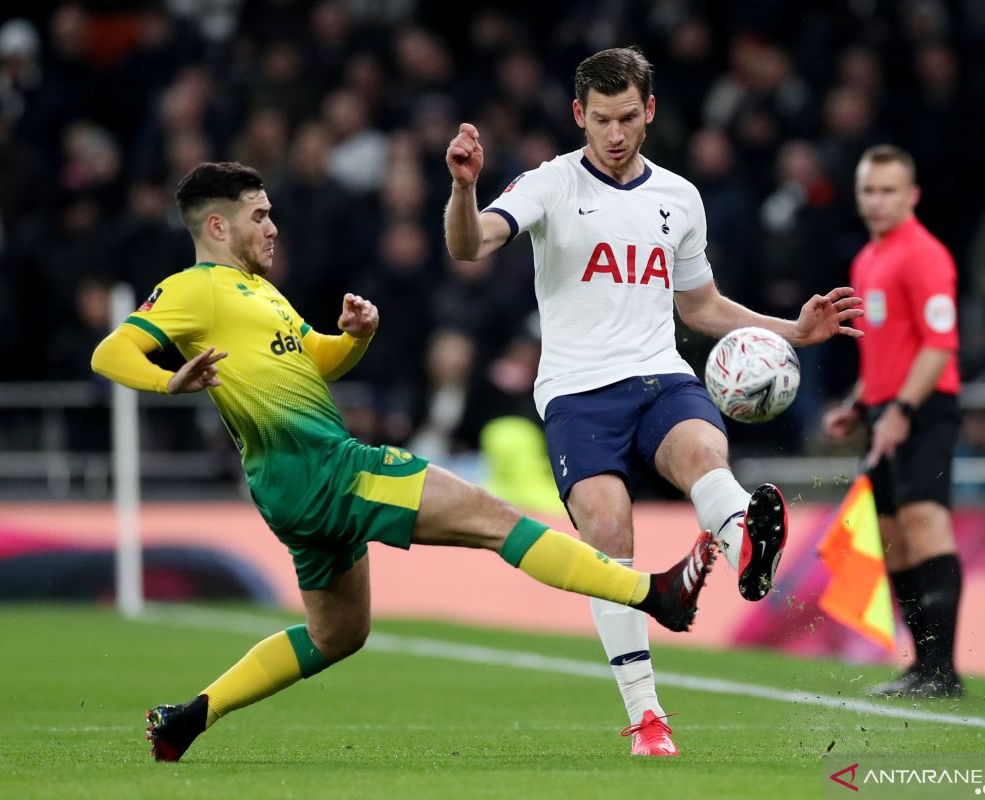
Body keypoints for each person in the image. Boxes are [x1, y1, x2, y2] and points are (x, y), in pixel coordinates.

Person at [90, 161, 719, 762]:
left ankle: (189, 718)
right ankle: (654, 594)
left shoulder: (256, 292)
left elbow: (314, 360)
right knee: (494, 519)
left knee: (338, 635)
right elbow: (112, 352)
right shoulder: (192, 289)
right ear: (218, 227)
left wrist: (353, 338)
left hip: (287, 487)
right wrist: (169, 382)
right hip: (327, 469)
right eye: (259, 215)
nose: (273, 226)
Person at [443, 47, 863, 755]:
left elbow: (699, 305)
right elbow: (470, 244)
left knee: (704, 452)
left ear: (651, 112)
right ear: (579, 115)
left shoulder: (680, 198)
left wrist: (793, 329)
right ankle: (646, 717)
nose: (614, 134)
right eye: (601, 119)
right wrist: (463, 190)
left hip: (660, 376)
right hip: (577, 394)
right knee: (607, 536)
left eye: (627, 118)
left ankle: (745, 551)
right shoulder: (547, 184)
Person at [822, 144, 964, 698]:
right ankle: (922, 667)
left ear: (912, 196)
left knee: (926, 522)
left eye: (888, 191)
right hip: (885, 411)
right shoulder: (867, 259)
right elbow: (884, 352)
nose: (877, 201)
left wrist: (902, 410)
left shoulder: (925, 255)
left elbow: (939, 346)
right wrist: (860, 405)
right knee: (889, 537)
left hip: (924, 410)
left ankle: (944, 672)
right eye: (868, 191)